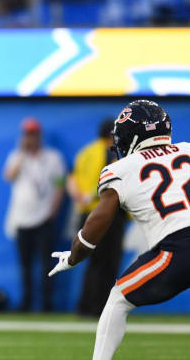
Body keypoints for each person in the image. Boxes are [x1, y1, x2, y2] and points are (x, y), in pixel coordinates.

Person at [49, 100, 190, 360]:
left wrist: (73, 257)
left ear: (134, 137)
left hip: (175, 252)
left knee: (117, 299)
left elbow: (97, 222)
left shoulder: (121, 170)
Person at [3, 117, 65, 312]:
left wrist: (53, 212)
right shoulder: (16, 156)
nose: (30, 138)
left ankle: (47, 303)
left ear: (39, 135)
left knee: (47, 264)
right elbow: (9, 176)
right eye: (27, 134)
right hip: (22, 218)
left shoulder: (53, 157)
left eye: (33, 134)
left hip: (44, 217)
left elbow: (60, 185)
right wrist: (22, 153)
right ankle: (26, 302)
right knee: (25, 264)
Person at [66, 119, 126, 316]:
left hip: (86, 212)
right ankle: (99, 306)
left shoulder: (85, 152)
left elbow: (72, 179)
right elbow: (108, 180)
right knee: (108, 263)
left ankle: (85, 305)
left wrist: (81, 198)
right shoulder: (110, 151)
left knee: (92, 262)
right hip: (106, 213)